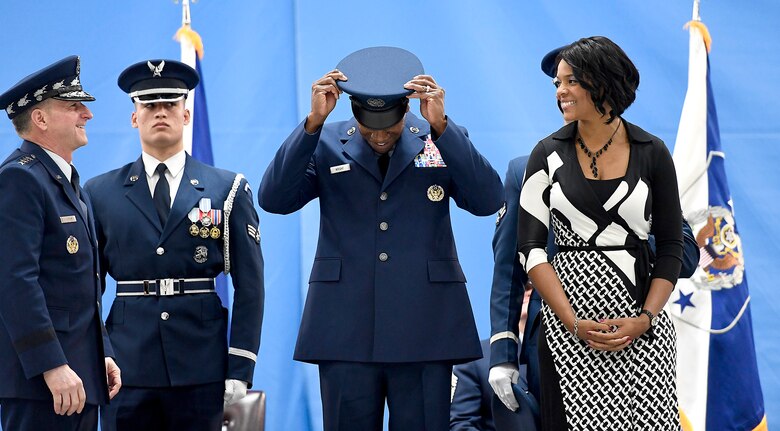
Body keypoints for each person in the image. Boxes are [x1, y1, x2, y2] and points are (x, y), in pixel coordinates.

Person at [258, 46, 503, 431]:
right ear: (352, 110)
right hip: (344, 328)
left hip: (426, 326)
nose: (378, 136)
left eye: (387, 126)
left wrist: (442, 127)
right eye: (369, 126)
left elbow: (488, 200)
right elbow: (274, 199)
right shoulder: (325, 141)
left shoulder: (437, 138)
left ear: (407, 109)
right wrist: (312, 123)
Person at [492, 36, 685, 430]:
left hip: (642, 336)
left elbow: (672, 245)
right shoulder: (544, 154)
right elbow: (528, 250)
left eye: (570, 82)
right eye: (556, 84)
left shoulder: (653, 151)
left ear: (601, 82)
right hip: (567, 336)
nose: (560, 92)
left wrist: (646, 318)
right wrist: (571, 321)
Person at [84, 59, 264, 431]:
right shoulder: (99, 193)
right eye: (149, 105)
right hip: (126, 367)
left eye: (169, 104)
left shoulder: (227, 189)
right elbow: (86, 287)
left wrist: (240, 367)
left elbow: (251, 287)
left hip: (203, 366)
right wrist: (99, 353)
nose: (160, 113)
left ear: (185, 114)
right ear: (135, 118)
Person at [0, 55, 121, 431]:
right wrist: (51, 365)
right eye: (74, 106)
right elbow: (14, 281)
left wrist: (101, 352)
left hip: (79, 376)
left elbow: (79, 286)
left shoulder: (67, 183)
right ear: (40, 118)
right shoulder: (21, 180)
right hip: (44, 383)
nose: (87, 115)